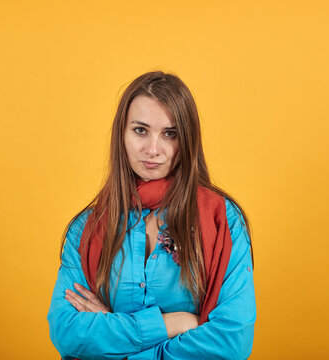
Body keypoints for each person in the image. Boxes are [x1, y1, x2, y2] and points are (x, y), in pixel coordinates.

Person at [47, 71, 256, 360]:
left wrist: (114, 333)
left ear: (187, 141)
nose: (153, 150)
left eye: (170, 134)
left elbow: (231, 342)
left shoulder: (223, 220)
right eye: (140, 130)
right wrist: (171, 324)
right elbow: (68, 333)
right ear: (121, 134)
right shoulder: (87, 228)